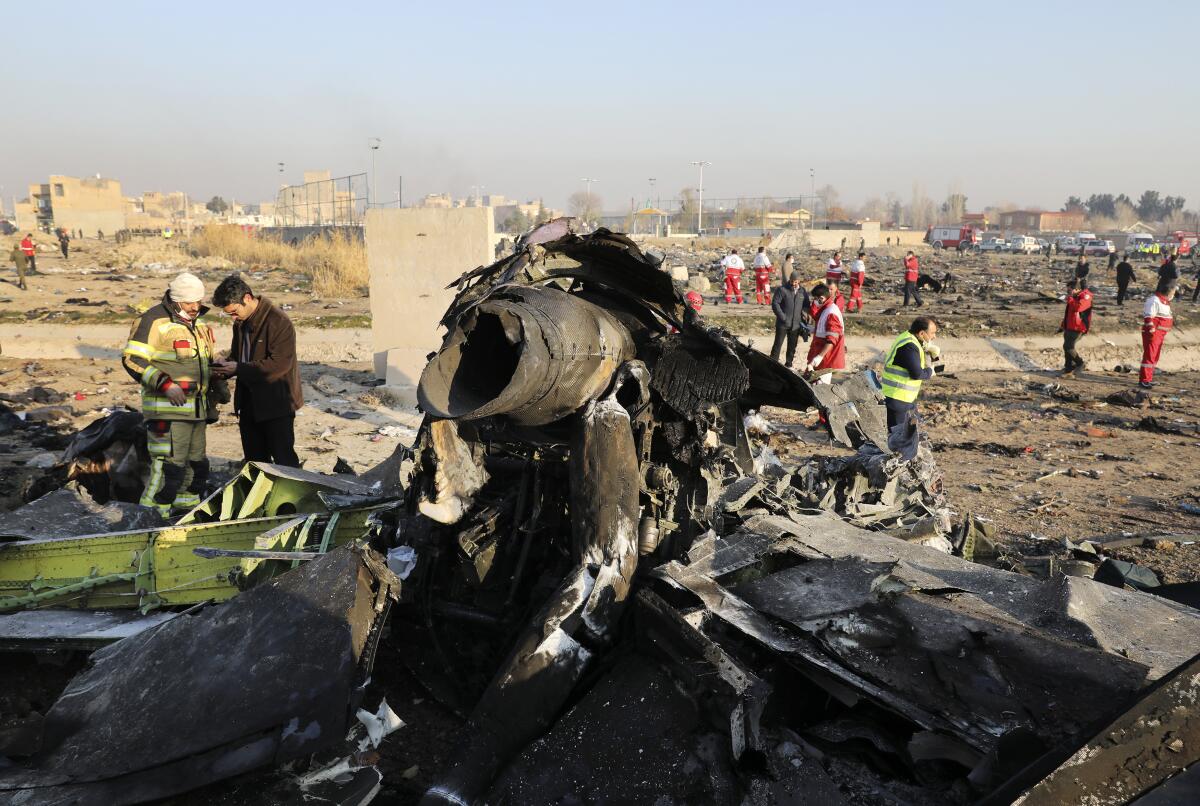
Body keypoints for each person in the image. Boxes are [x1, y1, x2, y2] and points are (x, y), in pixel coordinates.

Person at [121, 272, 216, 516]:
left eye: (198, 301)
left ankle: (184, 513)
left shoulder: (199, 323)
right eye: (189, 303)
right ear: (175, 301)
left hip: (197, 411)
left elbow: (201, 363)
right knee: (166, 471)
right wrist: (166, 385)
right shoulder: (153, 321)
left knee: (194, 468)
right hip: (166, 412)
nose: (195, 307)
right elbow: (132, 359)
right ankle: (149, 520)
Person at [210, 274, 303, 466]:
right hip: (249, 403)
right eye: (229, 314)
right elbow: (238, 357)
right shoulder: (240, 323)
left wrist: (239, 368)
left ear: (247, 298)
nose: (233, 318)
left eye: (234, 312)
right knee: (254, 462)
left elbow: (279, 365)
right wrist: (226, 366)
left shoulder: (278, 322)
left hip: (277, 404)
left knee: (284, 461)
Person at [880, 317, 941, 460]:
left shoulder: (910, 339)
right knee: (898, 440)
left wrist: (932, 353)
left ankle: (903, 461)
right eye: (932, 333)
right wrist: (931, 372)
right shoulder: (909, 346)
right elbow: (917, 373)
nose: (934, 337)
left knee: (907, 435)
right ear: (921, 333)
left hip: (904, 398)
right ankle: (896, 465)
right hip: (897, 399)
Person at [804, 283, 845, 385]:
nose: (814, 302)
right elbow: (825, 329)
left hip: (826, 357)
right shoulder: (826, 309)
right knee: (811, 381)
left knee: (820, 385)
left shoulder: (831, 312)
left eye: (816, 299)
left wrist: (820, 356)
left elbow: (832, 339)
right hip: (820, 353)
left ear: (822, 298)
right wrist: (813, 329)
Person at [1139, 279, 1175, 389]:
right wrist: (1151, 330)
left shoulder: (1164, 302)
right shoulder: (1154, 300)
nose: (1173, 295)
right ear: (1168, 292)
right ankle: (1144, 380)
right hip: (1153, 334)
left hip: (1160, 334)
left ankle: (1149, 378)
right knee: (1149, 356)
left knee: (1155, 356)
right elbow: (1148, 316)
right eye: (1173, 293)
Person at [770, 272, 810, 368]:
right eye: (792, 281)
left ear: (799, 281)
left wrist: (804, 315)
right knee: (777, 345)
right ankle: (772, 364)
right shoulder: (782, 289)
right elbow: (775, 304)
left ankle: (789, 365)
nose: (793, 283)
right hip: (782, 324)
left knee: (792, 347)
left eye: (795, 282)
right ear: (790, 279)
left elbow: (806, 305)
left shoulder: (802, 291)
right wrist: (783, 317)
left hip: (796, 325)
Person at [1060, 279, 1093, 374]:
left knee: (1068, 347)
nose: (1068, 293)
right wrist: (1063, 325)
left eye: (1069, 290)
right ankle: (1068, 367)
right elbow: (1069, 313)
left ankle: (1080, 363)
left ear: (1077, 289)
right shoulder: (1075, 297)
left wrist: (1070, 299)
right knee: (1067, 347)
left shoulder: (1086, 296)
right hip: (1070, 326)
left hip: (1079, 327)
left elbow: (1079, 308)